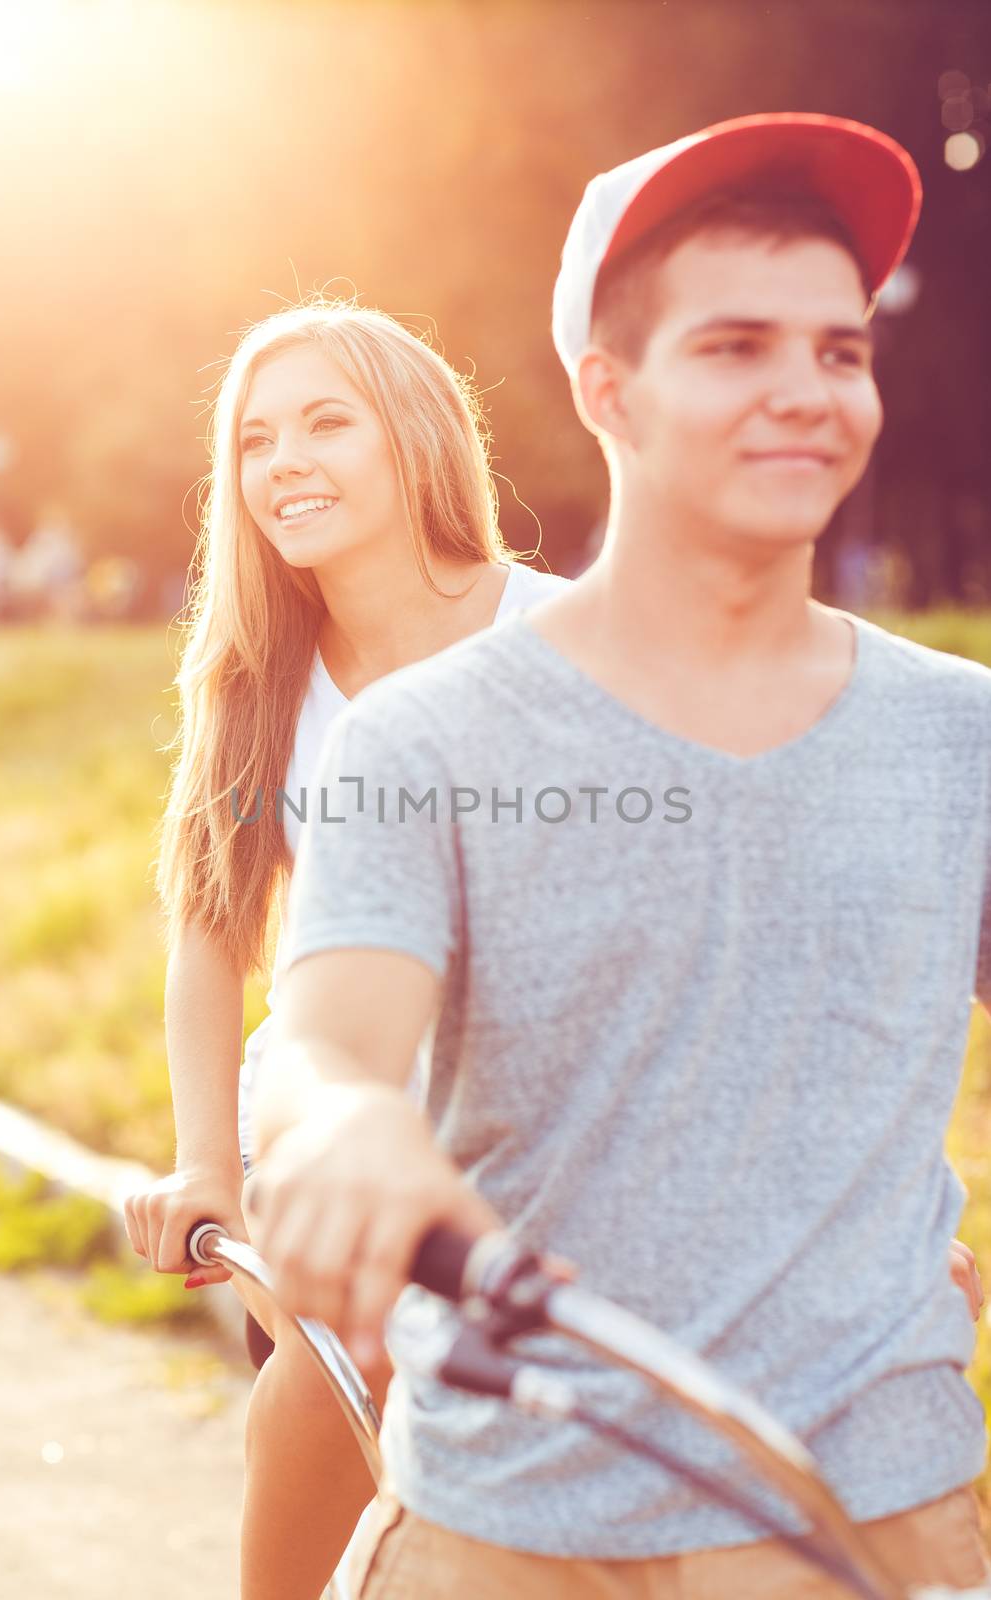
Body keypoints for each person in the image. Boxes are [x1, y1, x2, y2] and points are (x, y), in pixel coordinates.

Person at [246, 114, 991, 1598]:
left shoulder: (962, 735)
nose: (805, 394)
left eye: (838, 353)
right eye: (735, 348)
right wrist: (343, 1134)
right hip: (508, 1521)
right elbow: (324, 1045)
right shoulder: (428, 738)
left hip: (876, 1517)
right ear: (609, 391)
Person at [121, 298, 568, 1600]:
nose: (284, 464)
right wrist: (208, 1163)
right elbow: (211, 924)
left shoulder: (563, 643)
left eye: (326, 422)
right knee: (330, 1390)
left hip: (547, 1136)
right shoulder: (263, 676)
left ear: (417, 440)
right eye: (256, 440)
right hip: (334, 1141)